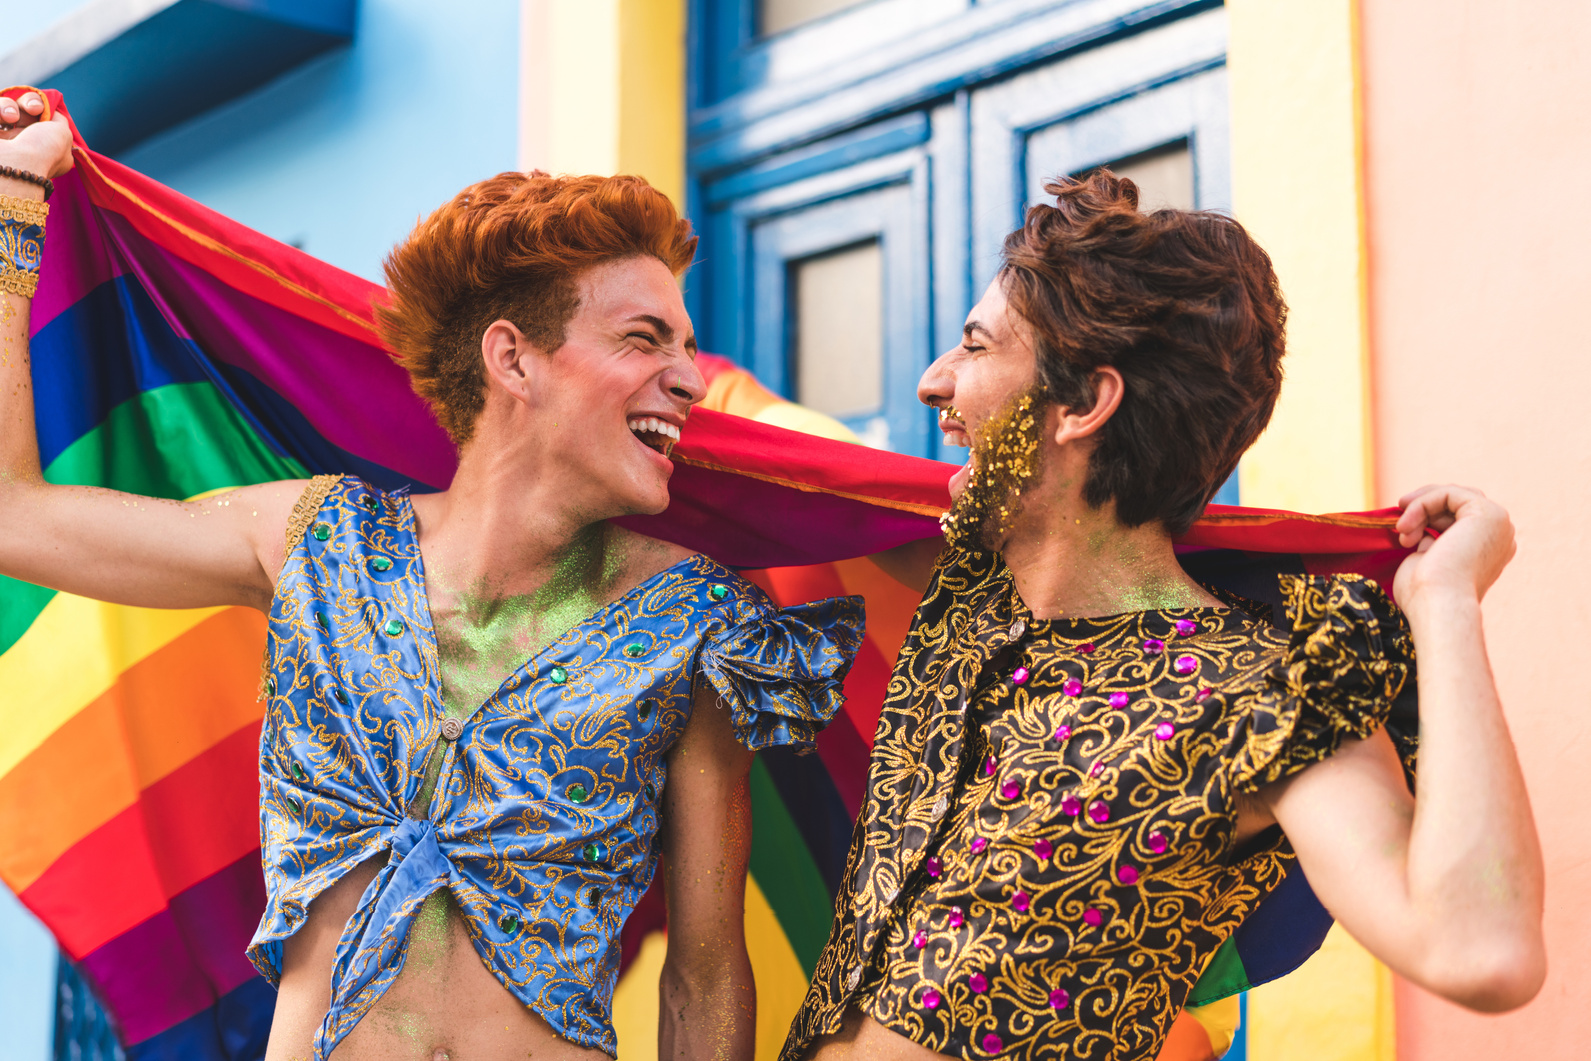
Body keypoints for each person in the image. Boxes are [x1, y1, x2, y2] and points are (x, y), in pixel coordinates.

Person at [0, 91, 863, 1061]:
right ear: (514, 358)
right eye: (643, 338)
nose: (691, 379)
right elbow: (13, 516)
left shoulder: (695, 622)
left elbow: (704, 975)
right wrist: (15, 201)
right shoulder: (315, 541)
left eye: (686, 345)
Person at [782, 172, 1545, 1060]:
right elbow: (765, 479)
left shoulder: (1262, 691)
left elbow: (1481, 952)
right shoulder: (965, 594)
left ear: (1081, 405)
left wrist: (1443, 603)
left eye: (975, 348)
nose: (931, 382)